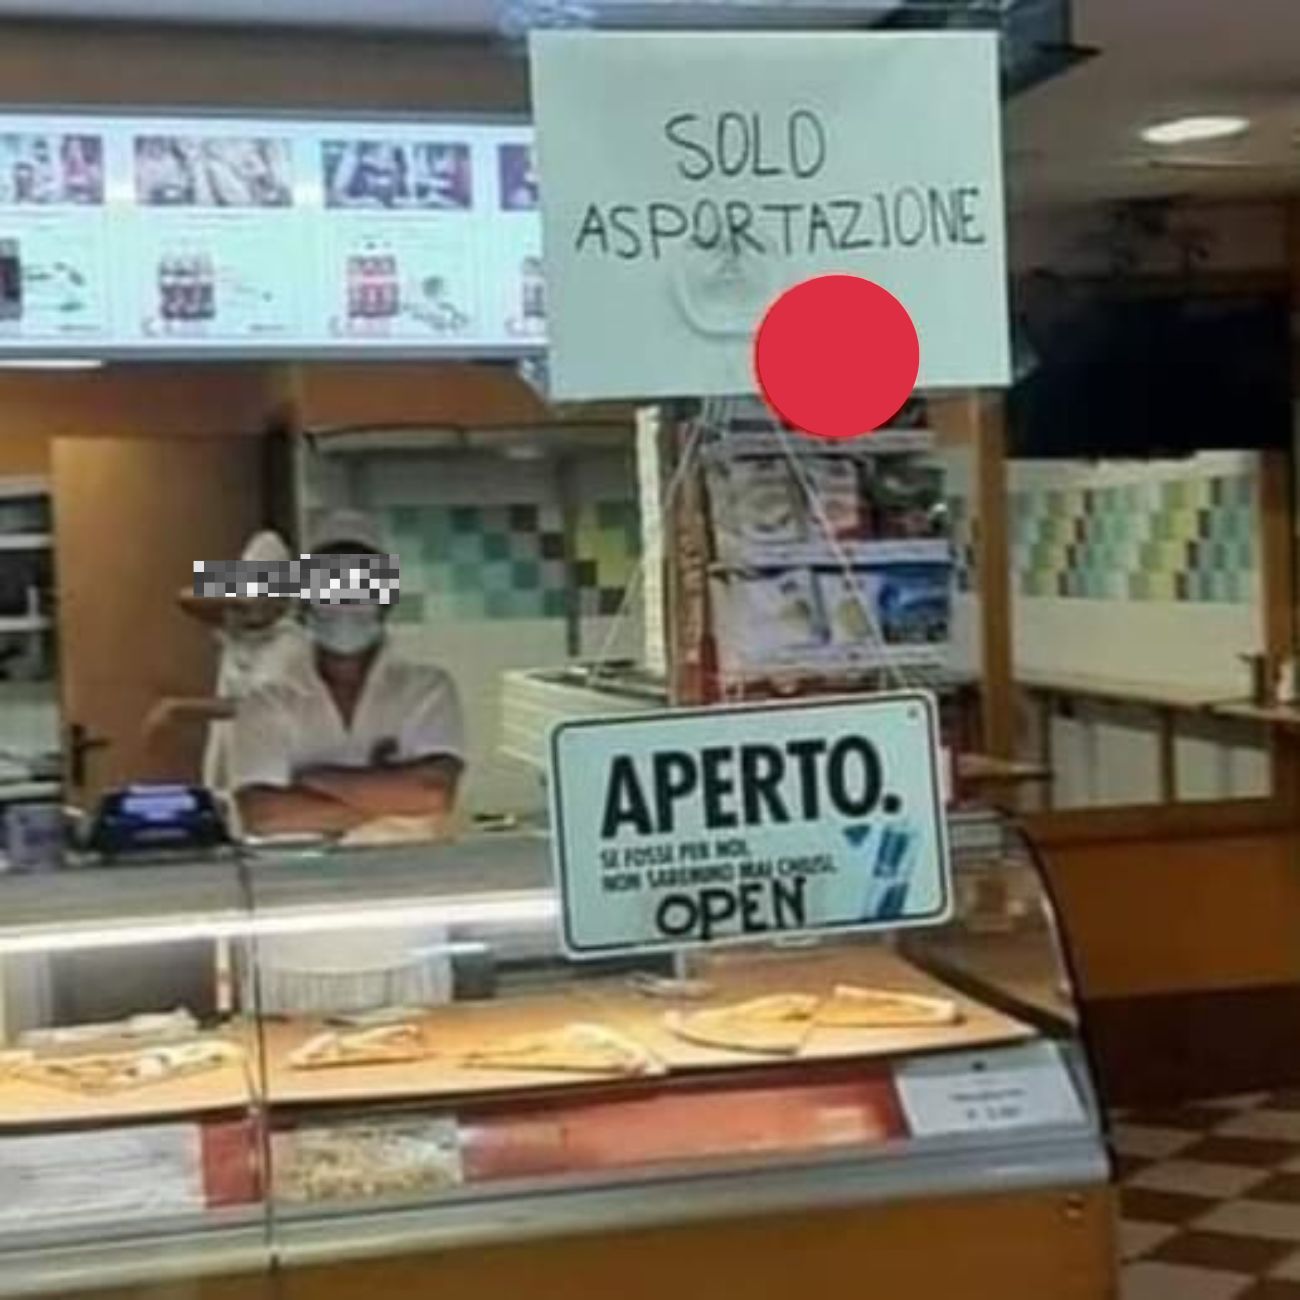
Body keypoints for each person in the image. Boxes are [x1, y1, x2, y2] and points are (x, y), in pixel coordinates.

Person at [229, 509, 464, 841]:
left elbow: (432, 795)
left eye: (359, 584)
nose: (344, 599)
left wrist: (310, 779)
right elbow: (265, 815)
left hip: (407, 871)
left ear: (386, 597)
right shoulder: (268, 699)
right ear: (305, 598)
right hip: (298, 873)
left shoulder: (428, 690)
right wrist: (392, 803)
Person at [145, 529, 308, 793]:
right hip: (231, 767)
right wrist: (239, 595)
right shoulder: (239, 636)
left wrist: (178, 708)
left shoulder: (294, 645)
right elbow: (185, 598)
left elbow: (248, 705)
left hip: (274, 774)